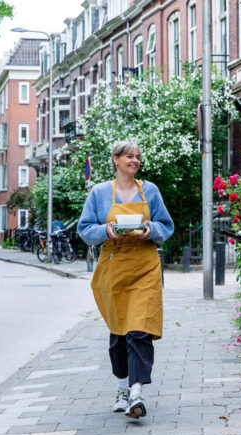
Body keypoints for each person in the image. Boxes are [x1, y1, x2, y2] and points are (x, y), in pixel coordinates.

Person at [77, 141, 174, 419]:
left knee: (140, 330)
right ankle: (121, 387)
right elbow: (85, 229)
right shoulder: (99, 193)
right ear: (116, 160)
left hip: (144, 266)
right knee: (119, 333)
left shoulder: (150, 191)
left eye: (138, 157)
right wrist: (107, 230)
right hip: (113, 267)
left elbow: (166, 226)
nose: (135, 161)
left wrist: (148, 228)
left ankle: (136, 393)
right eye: (129, 156)